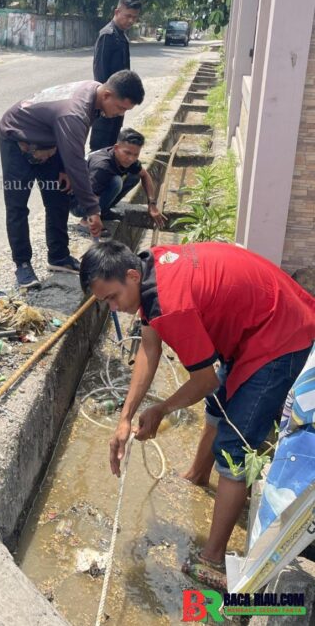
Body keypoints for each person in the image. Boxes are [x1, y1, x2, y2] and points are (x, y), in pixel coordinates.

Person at [79, 240, 315, 589]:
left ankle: (213, 558)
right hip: (256, 320)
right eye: (106, 303)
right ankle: (197, 476)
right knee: (220, 406)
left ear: (130, 275)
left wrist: (161, 408)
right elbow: (149, 345)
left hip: (281, 335)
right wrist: (125, 417)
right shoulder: (150, 269)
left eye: (112, 298)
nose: (114, 308)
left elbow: (204, 379)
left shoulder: (170, 305)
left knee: (235, 447)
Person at [0, 70, 145, 289]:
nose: (119, 114)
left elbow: (74, 143)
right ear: (107, 95)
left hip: (50, 141)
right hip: (17, 138)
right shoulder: (74, 113)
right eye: (121, 108)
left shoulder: (94, 92)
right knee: (17, 205)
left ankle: (58, 257)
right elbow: (77, 161)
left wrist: (64, 168)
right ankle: (22, 264)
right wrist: (92, 210)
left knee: (58, 197)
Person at [84, 128, 166, 228]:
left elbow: (145, 175)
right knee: (116, 182)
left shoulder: (127, 159)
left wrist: (152, 204)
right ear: (116, 148)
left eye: (136, 154)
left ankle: (104, 211)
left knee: (134, 176)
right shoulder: (102, 166)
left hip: (93, 194)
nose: (131, 158)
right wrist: (94, 218)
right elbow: (91, 196)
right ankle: (85, 221)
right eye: (127, 153)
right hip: (79, 202)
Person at [90, 0, 142, 151]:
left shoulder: (122, 36)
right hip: (107, 103)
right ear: (117, 11)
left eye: (135, 17)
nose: (131, 21)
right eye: (128, 16)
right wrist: (105, 104)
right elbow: (100, 72)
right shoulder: (108, 35)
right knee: (100, 146)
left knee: (112, 142)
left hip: (118, 102)